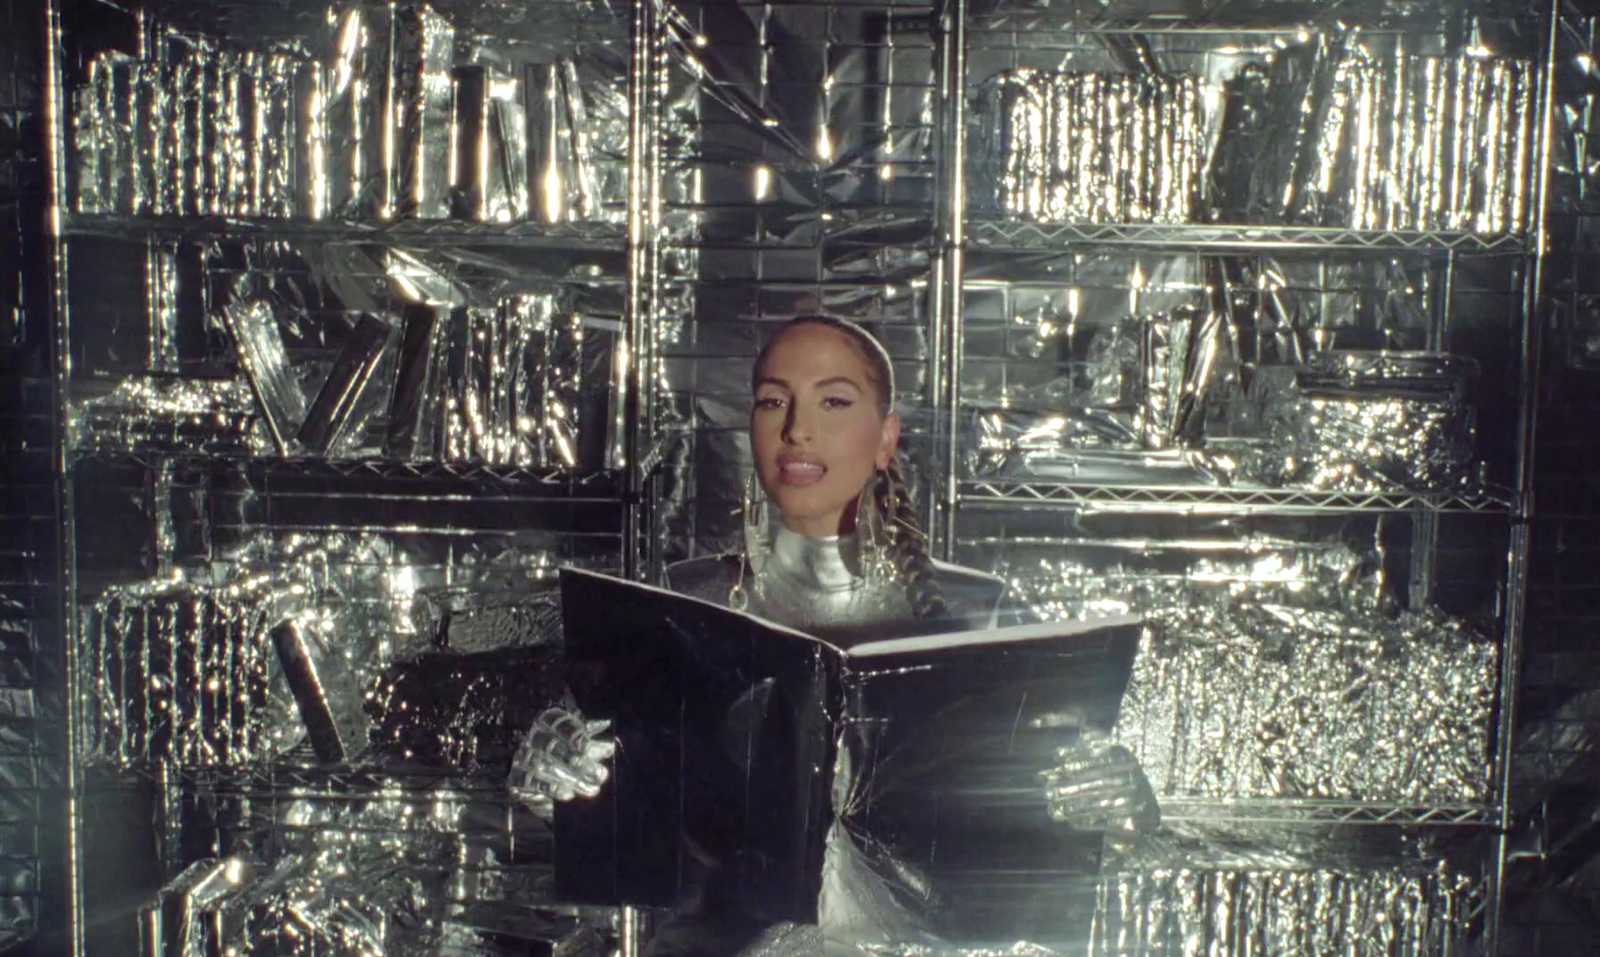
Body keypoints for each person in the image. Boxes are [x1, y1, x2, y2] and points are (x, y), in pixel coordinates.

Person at [512, 315, 1157, 956]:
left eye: (834, 400)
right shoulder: (681, 603)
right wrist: (556, 782)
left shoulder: (978, 614)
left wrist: (1113, 810)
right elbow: (625, 818)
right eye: (773, 401)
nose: (797, 429)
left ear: (886, 438)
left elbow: (1034, 834)